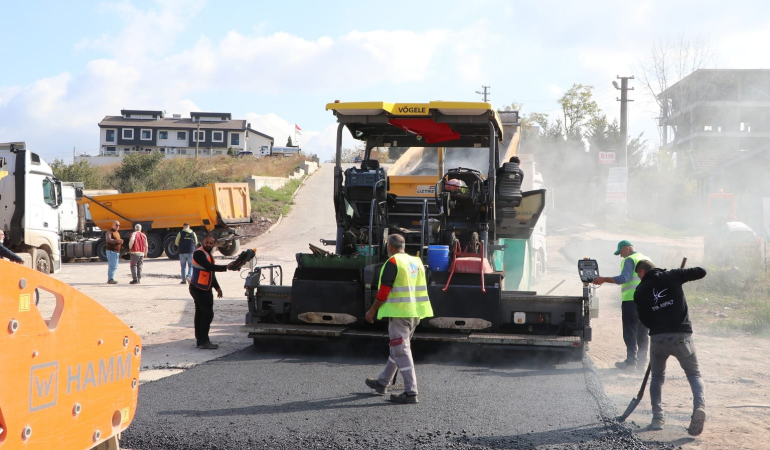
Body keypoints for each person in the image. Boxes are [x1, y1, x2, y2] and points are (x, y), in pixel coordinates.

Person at [634, 260, 707, 435]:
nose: (638, 278)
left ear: (642, 272)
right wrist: (680, 275)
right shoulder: (672, 275)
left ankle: (657, 419)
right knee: (694, 374)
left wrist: (657, 326)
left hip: (658, 339)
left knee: (657, 378)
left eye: (638, 275)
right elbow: (701, 271)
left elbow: (643, 320)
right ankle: (699, 406)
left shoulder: (640, 291)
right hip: (682, 337)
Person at [364, 234, 434, 404]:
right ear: (403, 246)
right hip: (415, 312)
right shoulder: (416, 261)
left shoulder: (393, 262)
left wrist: (372, 311)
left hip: (400, 313)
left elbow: (384, 291)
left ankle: (411, 392)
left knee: (401, 350)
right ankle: (382, 383)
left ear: (389, 247)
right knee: (398, 349)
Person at [593, 240, 651, 370]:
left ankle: (631, 363)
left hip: (631, 301)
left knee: (630, 332)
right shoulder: (646, 258)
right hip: (648, 302)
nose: (620, 255)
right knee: (643, 333)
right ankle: (641, 365)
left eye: (620, 252)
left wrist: (603, 279)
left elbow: (624, 278)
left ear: (627, 248)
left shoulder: (629, 260)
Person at [189, 234, 235, 349]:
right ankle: (203, 341)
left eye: (211, 243)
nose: (208, 244)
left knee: (200, 314)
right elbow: (209, 267)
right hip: (200, 289)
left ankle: (200, 340)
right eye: (207, 242)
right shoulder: (199, 253)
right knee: (207, 314)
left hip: (203, 287)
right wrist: (226, 267)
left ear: (214, 244)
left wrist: (217, 287)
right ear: (203, 242)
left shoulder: (208, 254)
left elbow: (210, 273)